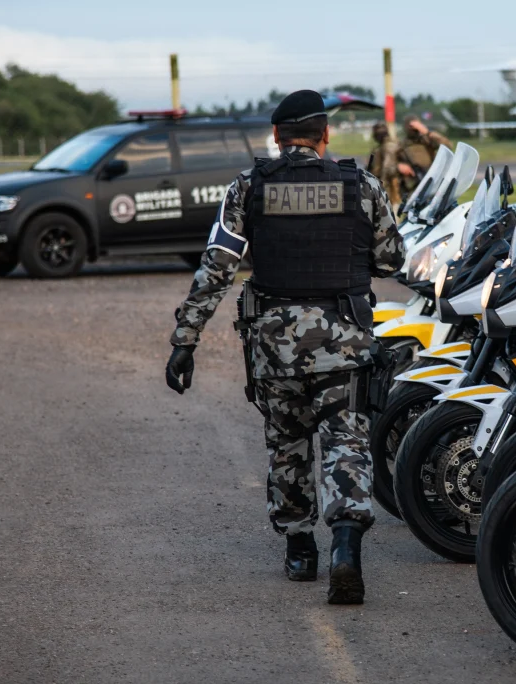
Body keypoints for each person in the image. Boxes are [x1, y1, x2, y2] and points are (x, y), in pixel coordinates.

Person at [165, 90, 405, 605]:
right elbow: (390, 260)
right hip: (345, 343)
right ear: (325, 136)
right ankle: (346, 547)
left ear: (276, 136)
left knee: (288, 446)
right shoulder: (360, 185)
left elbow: (216, 269)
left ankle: (301, 550)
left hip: (275, 349)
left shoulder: (248, 189)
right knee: (347, 445)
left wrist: (186, 340)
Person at [396, 114, 452, 192]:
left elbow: (448, 146)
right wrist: (398, 166)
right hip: (412, 186)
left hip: (433, 180)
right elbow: (388, 164)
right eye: (410, 126)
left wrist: (427, 132)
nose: (413, 129)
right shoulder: (401, 145)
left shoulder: (427, 140)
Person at [367, 121, 402, 208]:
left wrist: (381, 191)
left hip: (389, 191)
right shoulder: (379, 148)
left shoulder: (389, 146)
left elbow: (387, 170)